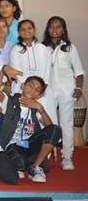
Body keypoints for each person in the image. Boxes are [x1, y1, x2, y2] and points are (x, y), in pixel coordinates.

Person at [0, 75, 61, 183]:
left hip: (29, 144)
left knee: (56, 129)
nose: (32, 90)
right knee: (20, 162)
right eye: (30, 85)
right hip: (14, 145)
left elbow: (50, 129)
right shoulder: (10, 101)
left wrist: (41, 109)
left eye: (37, 90)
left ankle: (35, 167)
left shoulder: (36, 108)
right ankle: (21, 165)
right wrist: (2, 71)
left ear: (39, 96)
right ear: (23, 86)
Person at [42, 16, 85, 170]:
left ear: (63, 29)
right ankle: (44, 157)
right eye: (52, 27)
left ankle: (67, 157)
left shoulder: (70, 47)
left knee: (66, 124)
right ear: (48, 29)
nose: (55, 30)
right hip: (47, 91)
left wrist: (79, 88)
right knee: (47, 125)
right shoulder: (42, 48)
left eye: (58, 27)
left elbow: (79, 71)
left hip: (67, 90)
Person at [10, 20, 57, 124]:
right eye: (23, 29)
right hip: (23, 88)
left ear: (34, 30)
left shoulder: (43, 48)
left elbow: (47, 70)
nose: (26, 31)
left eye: (29, 28)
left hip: (42, 90)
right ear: (19, 32)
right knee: (25, 121)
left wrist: (41, 88)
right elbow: (16, 71)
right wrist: (26, 87)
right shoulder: (15, 49)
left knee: (45, 119)